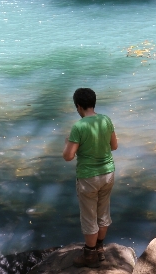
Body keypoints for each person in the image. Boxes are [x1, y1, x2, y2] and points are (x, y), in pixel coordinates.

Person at [62, 87, 117, 268]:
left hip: (88, 178)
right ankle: (100, 248)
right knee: (103, 212)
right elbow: (114, 146)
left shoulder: (79, 126)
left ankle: (89, 255)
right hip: (108, 173)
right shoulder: (106, 120)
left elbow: (68, 156)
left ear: (78, 106)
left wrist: (66, 143)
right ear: (94, 103)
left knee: (89, 216)